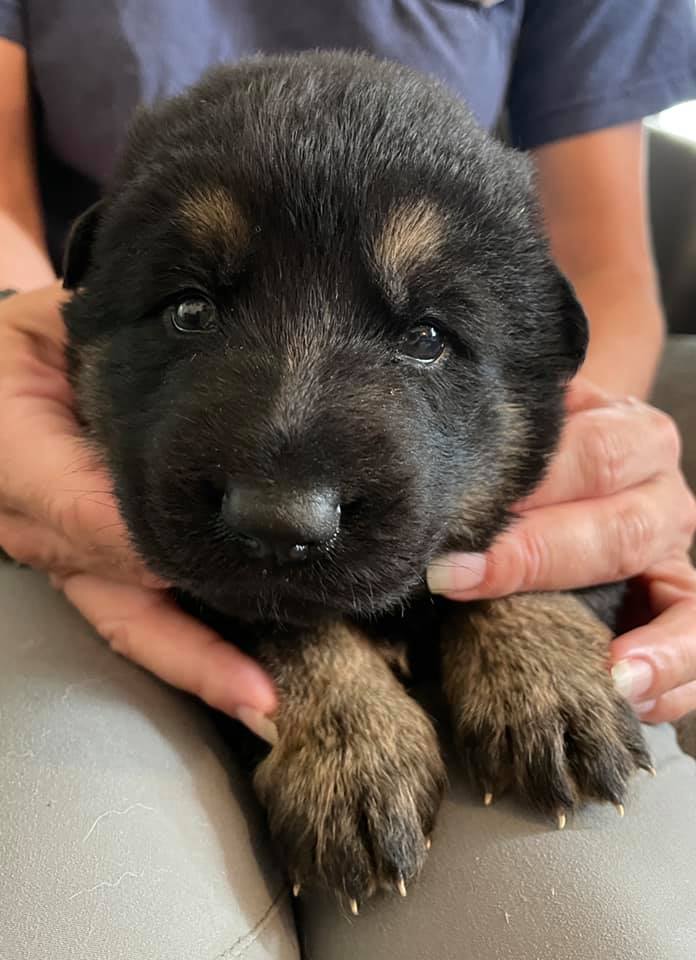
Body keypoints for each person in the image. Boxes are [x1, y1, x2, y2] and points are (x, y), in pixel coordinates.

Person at [1, 2, 695, 958]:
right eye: (192, 309)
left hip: (459, 532)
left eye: (422, 338)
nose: (288, 494)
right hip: (42, 485)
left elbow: (598, 278)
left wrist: (561, 550)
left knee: (599, 926)